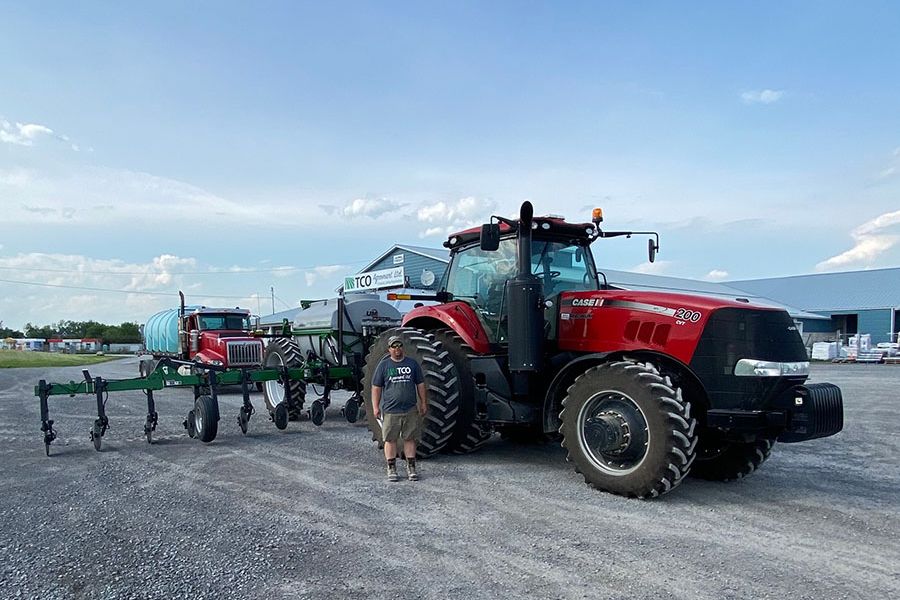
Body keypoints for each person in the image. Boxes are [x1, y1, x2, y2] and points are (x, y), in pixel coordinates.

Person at [371, 335, 428, 481]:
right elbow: (376, 387)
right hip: (391, 410)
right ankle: (391, 468)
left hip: (410, 409)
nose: (397, 349)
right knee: (390, 439)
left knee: (410, 438)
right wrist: (375, 407)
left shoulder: (412, 364)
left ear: (403, 347)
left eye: (399, 346)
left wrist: (423, 403)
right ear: (389, 349)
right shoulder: (384, 366)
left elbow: (420, 384)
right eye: (394, 346)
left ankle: (411, 468)